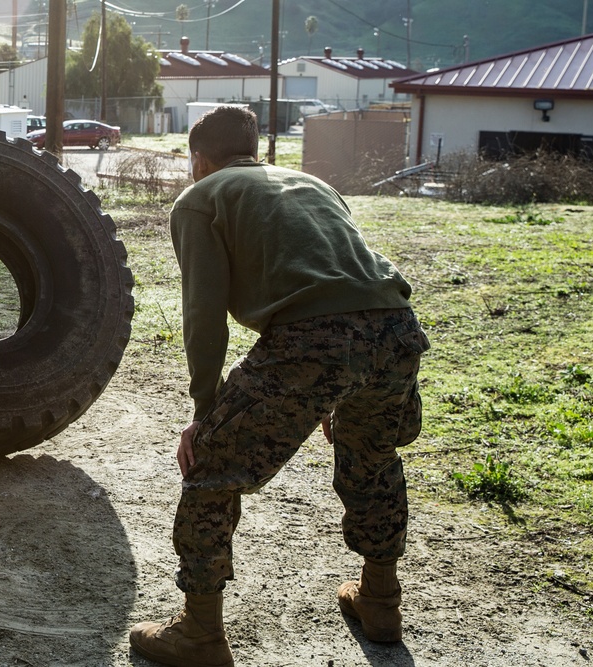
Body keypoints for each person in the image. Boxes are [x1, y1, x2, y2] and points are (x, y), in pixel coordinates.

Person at [129, 106, 430, 667]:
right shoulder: (314, 182)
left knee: (210, 470)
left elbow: (204, 313)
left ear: (199, 157)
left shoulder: (203, 196)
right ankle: (381, 602)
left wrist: (205, 412)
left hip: (314, 336)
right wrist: (329, 386)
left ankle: (198, 633)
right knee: (373, 455)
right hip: (395, 326)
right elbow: (342, 274)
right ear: (254, 146)